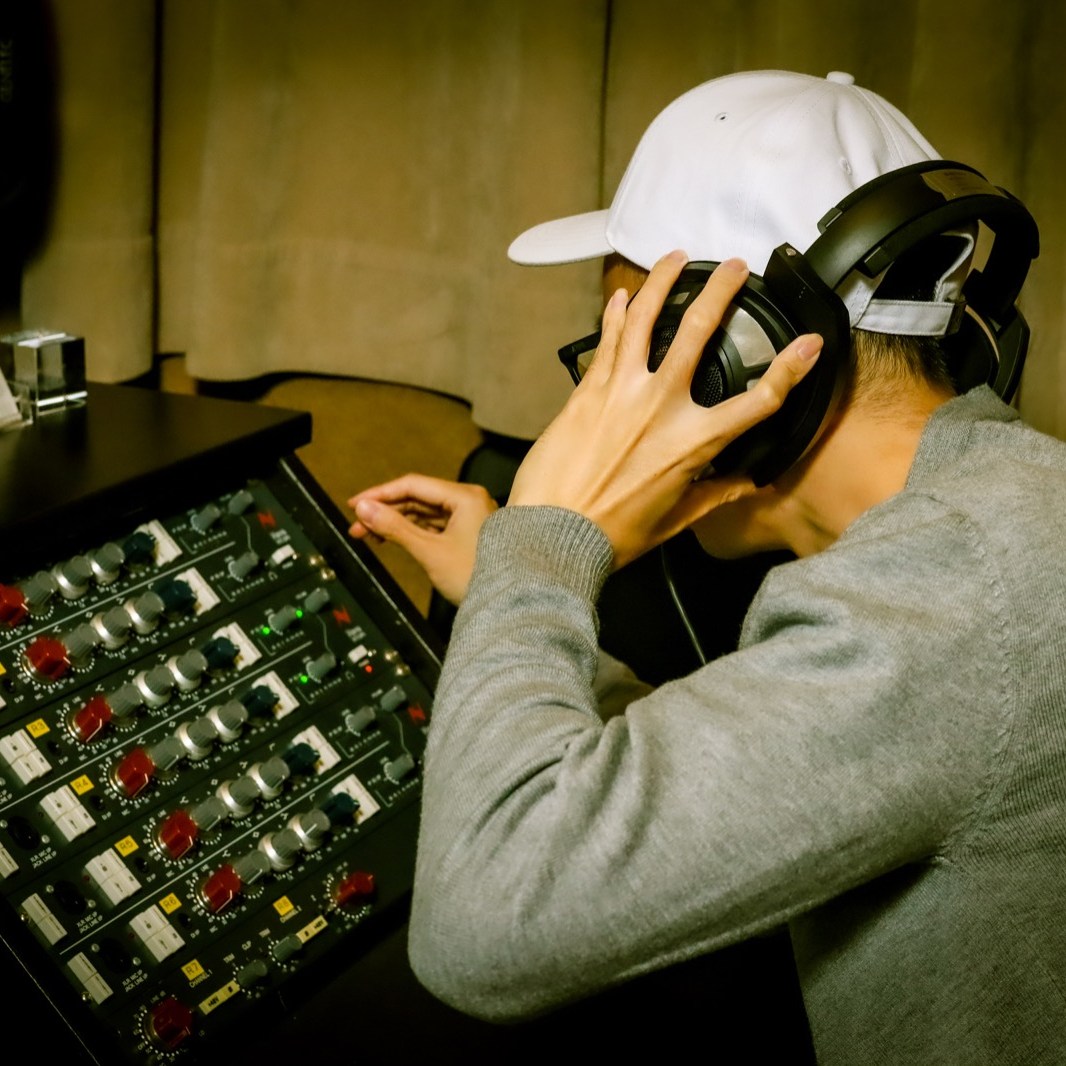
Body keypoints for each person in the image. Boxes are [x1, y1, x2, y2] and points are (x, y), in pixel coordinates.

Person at [348, 71, 1066, 1064]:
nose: (602, 397)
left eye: (623, 351)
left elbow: (482, 925)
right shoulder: (997, 531)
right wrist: (511, 594)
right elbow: (787, 763)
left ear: (726, 355)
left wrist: (546, 536)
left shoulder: (948, 590)